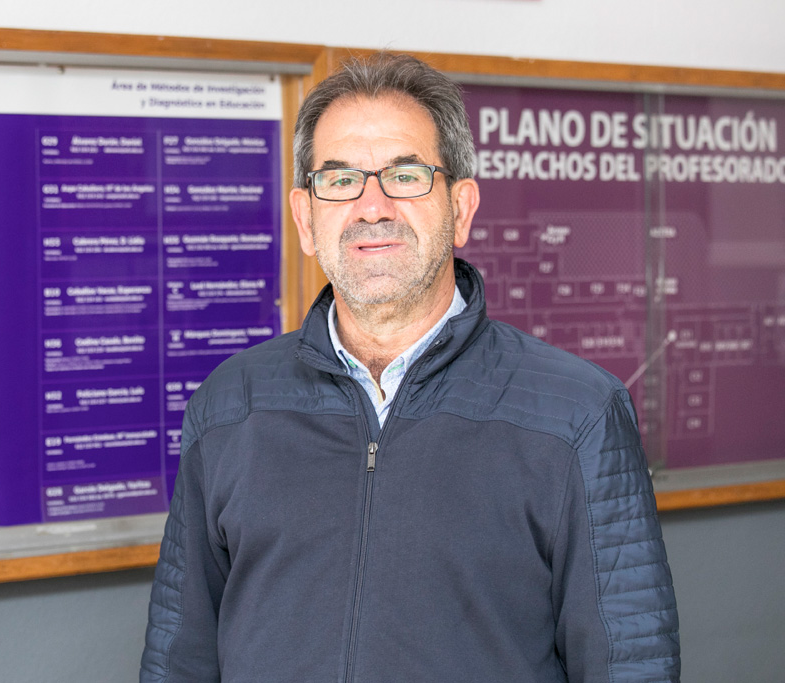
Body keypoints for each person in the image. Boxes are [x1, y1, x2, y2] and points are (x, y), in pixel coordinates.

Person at [141, 53, 680, 682]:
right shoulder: (230, 405)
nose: (371, 207)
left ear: (462, 207)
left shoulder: (577, 414)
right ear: (305, 218)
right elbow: (179, 658)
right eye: (340, 180)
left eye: (404, 175)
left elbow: (629, 665)